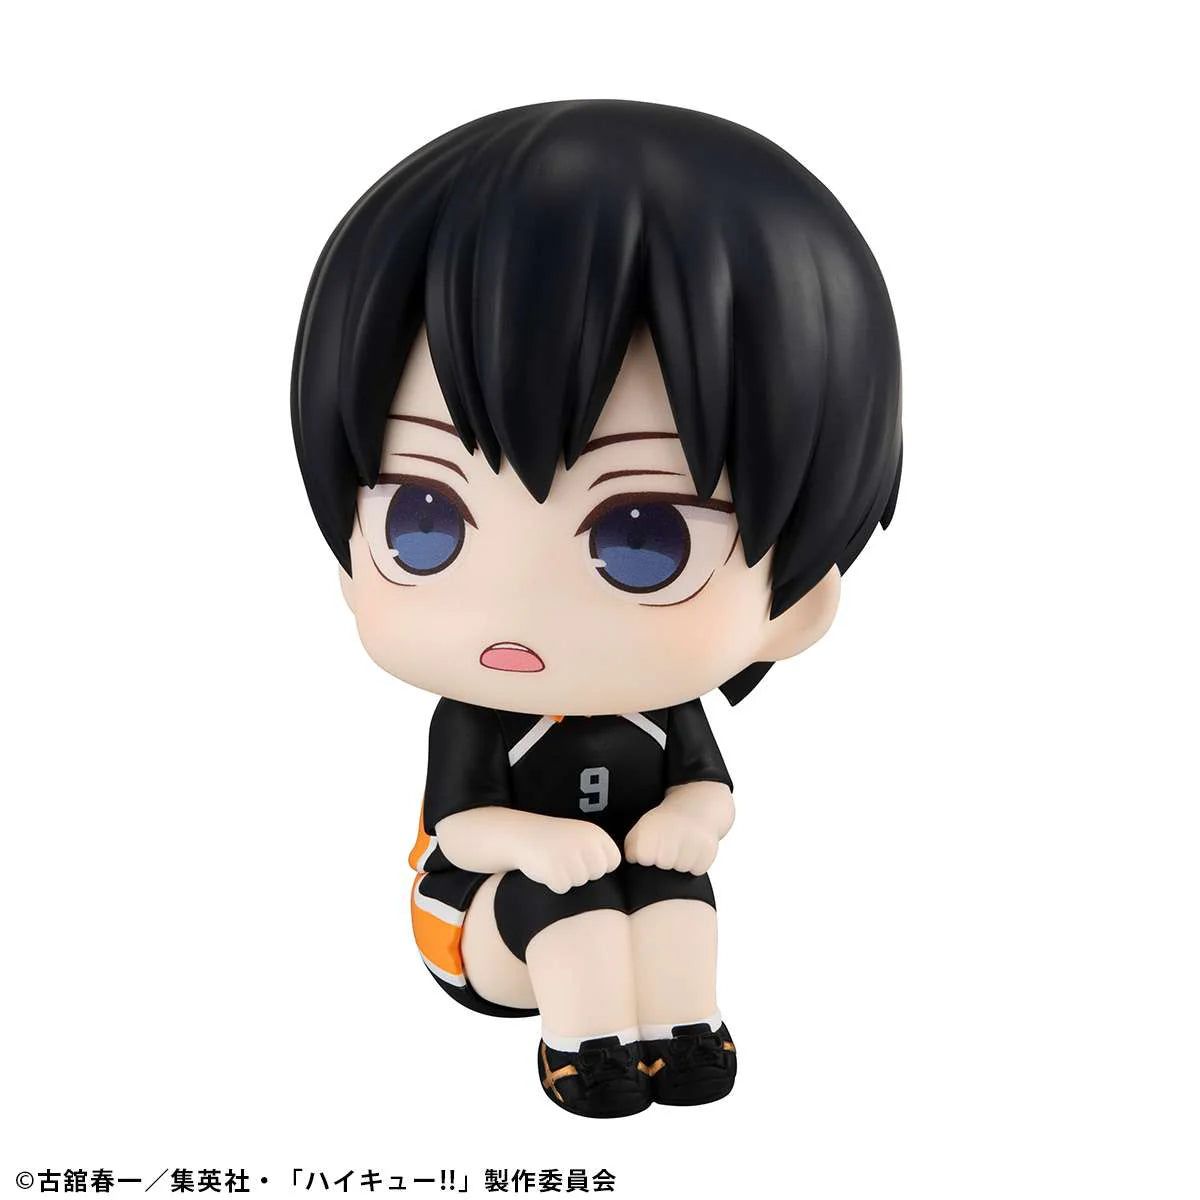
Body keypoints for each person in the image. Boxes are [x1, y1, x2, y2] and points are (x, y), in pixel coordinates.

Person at [291, 99, 902, 1118]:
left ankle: (686, 1031)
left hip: (618, 889)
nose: (514, 607)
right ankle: (583, 1051)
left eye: (642, 540)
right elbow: (462, 829)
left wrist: (691, 820)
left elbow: (709, 794)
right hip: (478, 917)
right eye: (423, 521)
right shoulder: (482, 717)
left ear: (795, 604)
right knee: (575, 915)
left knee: (678, 897)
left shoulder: (666, 712)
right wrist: (533, 844)